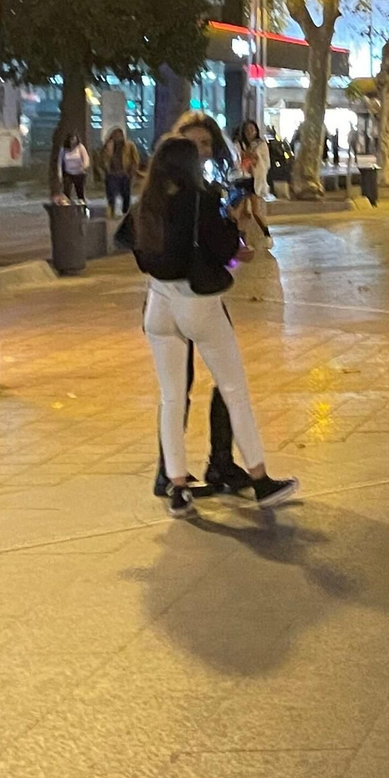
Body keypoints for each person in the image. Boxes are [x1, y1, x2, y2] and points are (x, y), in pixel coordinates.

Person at [132, 135, 298, 517]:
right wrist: (236, 229)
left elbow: (137, 249)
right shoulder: (200, 202)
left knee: (171, 398)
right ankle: (260, 478)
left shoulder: (147, 204)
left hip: (158, 305)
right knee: (233, 388)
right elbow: (227, 250)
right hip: (198, 304)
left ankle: (177, 488)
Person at [141, 109, 249, 499]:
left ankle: (221, 461)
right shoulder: (164, 193)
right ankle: (169, 471)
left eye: (206, 143)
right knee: (177, 388)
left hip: (203, 297)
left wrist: (235, 247)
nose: (200, 150)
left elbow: (221, 250)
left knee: (225, 380)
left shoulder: (210, 191)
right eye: (192, 144)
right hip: (174, 301)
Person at [231, 120, 273, 248]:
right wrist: (242, 158)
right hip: (240, 180)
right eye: (247, 130)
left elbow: (266, 163)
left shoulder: (261, 144)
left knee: (256, 211)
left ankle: (267, 236)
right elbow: (234, 160)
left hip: (254, 181)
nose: (250, 132)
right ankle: (243, 242)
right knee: (240, 212)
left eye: (252, 129)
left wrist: (256, 160)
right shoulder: (238, 144)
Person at [100, 128, 141, 218]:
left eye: (120, 135)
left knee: (126, 194)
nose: (118, 137)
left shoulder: (129, 145)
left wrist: (132, 171)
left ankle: (125, 212)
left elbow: (135, 159)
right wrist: (107, 146)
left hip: (124, 174)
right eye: (116, 135)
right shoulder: (109, 146)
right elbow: (103, 158)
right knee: (111, 194)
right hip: (112, 174)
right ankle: (112, 212)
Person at [58, 132, 90, 202]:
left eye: (74, 139)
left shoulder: (80, 147)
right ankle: (66, 208)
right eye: (71, 139)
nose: (73, 142)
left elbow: (86, 158)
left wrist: (84, 166)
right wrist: (60, 174)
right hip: (68, 173)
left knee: (80, 192)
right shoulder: (63, 150)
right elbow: (60, 162)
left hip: (79, 173)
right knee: (66, 192)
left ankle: (83, 207)